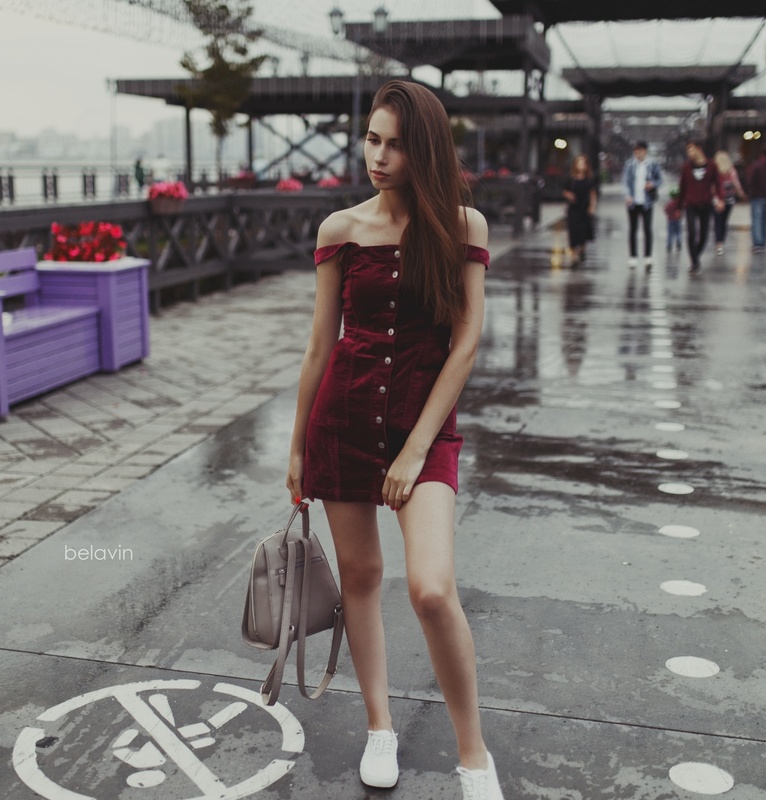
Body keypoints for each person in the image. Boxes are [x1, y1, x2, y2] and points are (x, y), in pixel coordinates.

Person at [286, 79, 503, 800]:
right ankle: (379, 724)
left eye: (396, 143)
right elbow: (320, 348)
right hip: (341, 423)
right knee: (362, 580)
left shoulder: (464, 225)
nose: (378, 156)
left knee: (433, 589)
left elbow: (466, 344)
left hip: (424, 428)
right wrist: (295, 447)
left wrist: (416, 449)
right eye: (372, 139)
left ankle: (474, 754)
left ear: (426, 149)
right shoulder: (340, 231)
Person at [679, 140, 726, 273]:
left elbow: (718, 184)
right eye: (688, 150)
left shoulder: (711, 166)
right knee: (692, 232)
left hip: (706, 204)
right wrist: (678, 207)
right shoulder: (686, 167)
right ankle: (694, 263)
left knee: (704, 235)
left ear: (699, 149)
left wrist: (721, 199)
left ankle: (695, 255)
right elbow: (682, 187)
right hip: (690, 205)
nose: (689, 153)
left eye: (691, 149)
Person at [622, 140, 662, 268]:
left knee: (647, 229)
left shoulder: (652, 164)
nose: (636, 153)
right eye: (635, 151)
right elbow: (626, 182)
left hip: (647, 203)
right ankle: (633, 256)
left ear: (645, 151)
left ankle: (648, 256)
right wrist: (628, 196)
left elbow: (660, 179)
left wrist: (653, 184)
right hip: (633, 202)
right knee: (633, 229)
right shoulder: (630, 165)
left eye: (638, 150)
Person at [562, 154, 598, 266]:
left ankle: (582, 249)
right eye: (579, 163)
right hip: (573, 208)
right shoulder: (571, 178)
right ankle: (574, 255)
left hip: (584, 208)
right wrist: (569, 195)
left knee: (583, 231)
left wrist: (592, 207)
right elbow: (564, 190)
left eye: (583, 163)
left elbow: (593, 194)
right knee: (573, 231)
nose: (581, 166)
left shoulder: (589, 179)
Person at [712, 151, 747, 255]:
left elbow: (712, 186)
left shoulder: (715, 172)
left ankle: (718, 243)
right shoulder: (731, 172)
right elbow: (737, 185)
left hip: (717, 200)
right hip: (729, 200)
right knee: (724, 222)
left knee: (717, 222)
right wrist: (742, 194)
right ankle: (722, 241)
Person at [665, 187, 683, 253]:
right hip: (677, 220)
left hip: (670, 220)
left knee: (670, 234)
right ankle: (678, 242)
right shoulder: (678, 203)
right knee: (678, 232)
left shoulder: (670, 203)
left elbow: (666, 210)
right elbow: (681, 210)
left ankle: (669, 245)